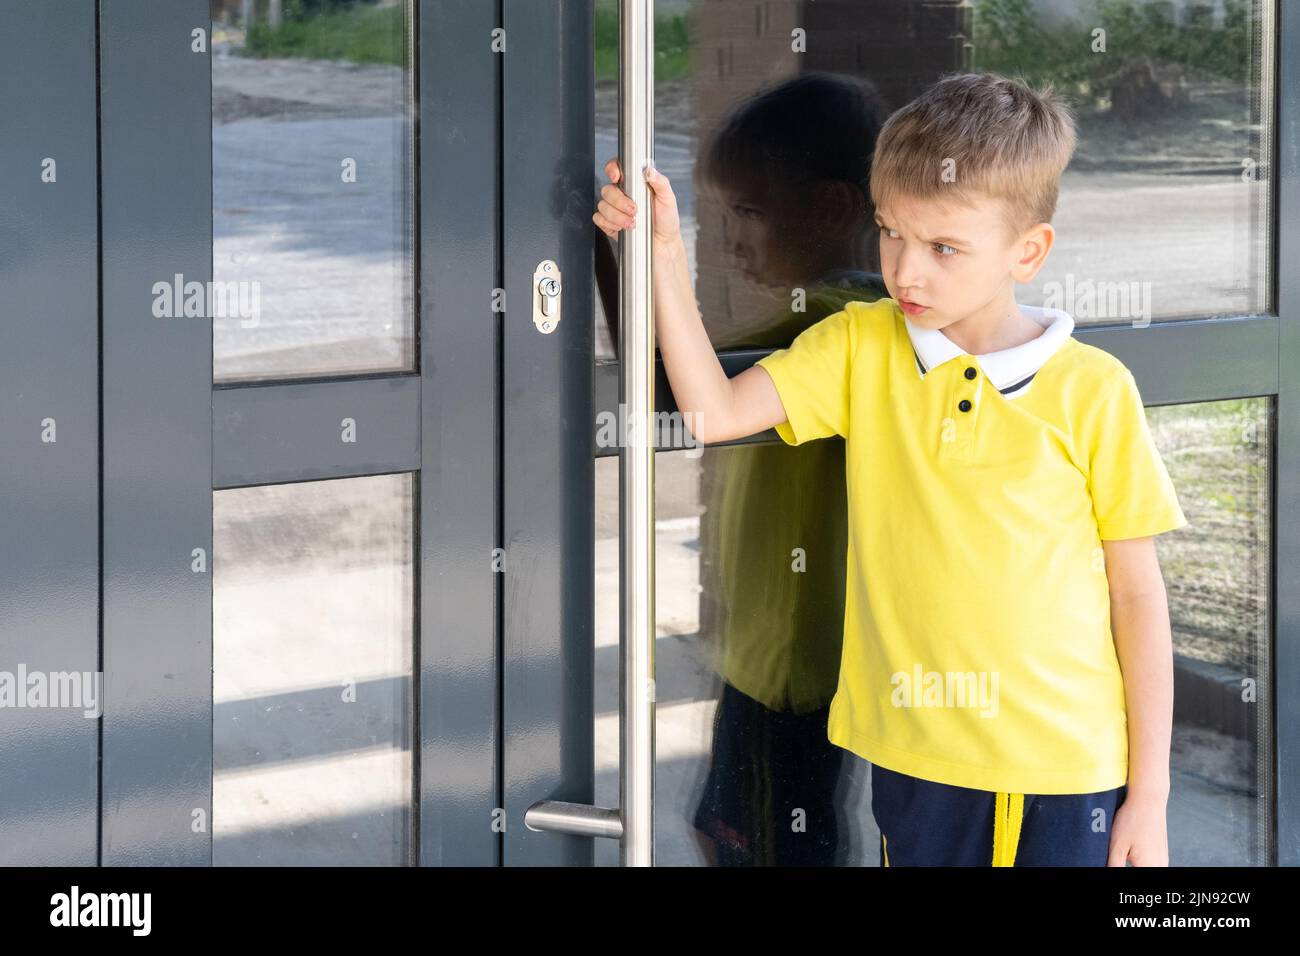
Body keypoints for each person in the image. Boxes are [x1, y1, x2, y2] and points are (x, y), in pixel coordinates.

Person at [594, 71, 1187, 866]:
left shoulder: (1094, 390)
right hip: (908, 761)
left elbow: (1136, 593)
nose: (907, 271)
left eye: (944, 247)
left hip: (1054, 770)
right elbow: (712, 414)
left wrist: (1148, 797)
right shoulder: (859, 346)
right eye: (891, 232)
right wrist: (662, 255)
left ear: (1028, 251)